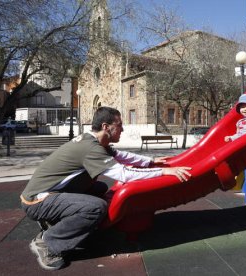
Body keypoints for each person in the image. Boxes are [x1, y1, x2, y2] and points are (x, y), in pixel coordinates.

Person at [20, 106, 191, 270]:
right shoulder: (90, 148)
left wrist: (151, 161)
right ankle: (48, 243)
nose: (122, 129)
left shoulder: (94, 141)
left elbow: (121, 156)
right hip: (37, 201)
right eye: (119, 125)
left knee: (99, 188)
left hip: (48, 195)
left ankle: (54, 221)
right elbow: (125, 174)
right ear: (106, 127)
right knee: (96, 207)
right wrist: (164, 172)